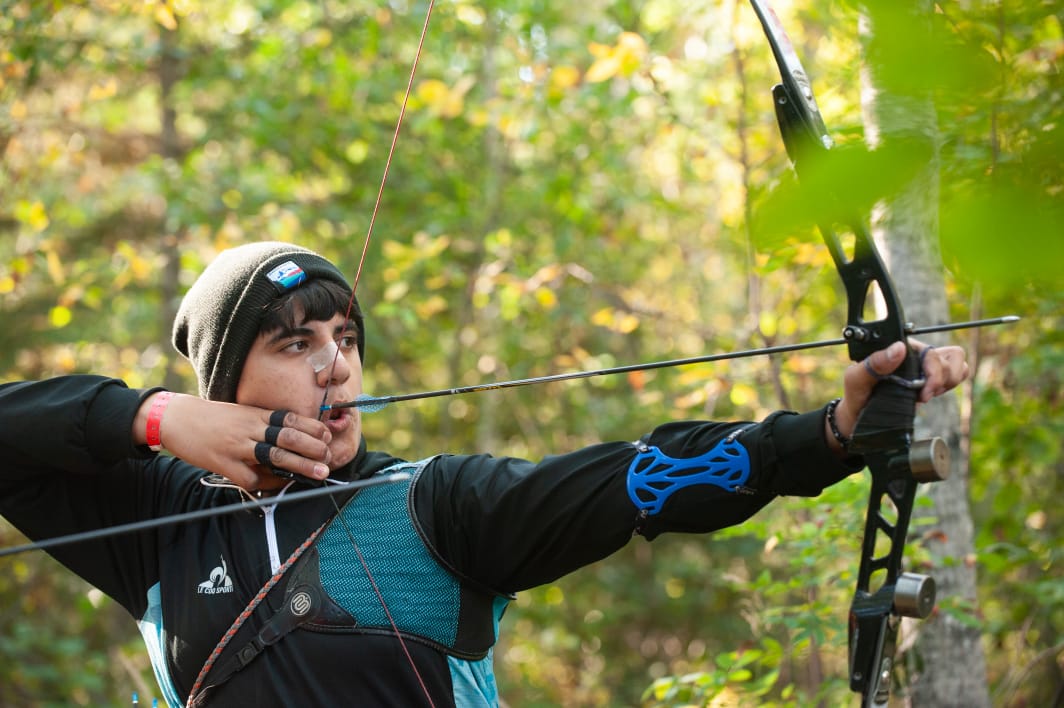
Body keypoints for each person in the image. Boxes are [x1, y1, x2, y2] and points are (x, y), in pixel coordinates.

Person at [0, 241, 968, 707]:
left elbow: (636, 479)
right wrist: (156, 418)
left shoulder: (433, 506)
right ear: (225, 385)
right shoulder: (159, 523)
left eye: (345, 338)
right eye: (294, 344)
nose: (334, 365)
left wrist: (832, 432)